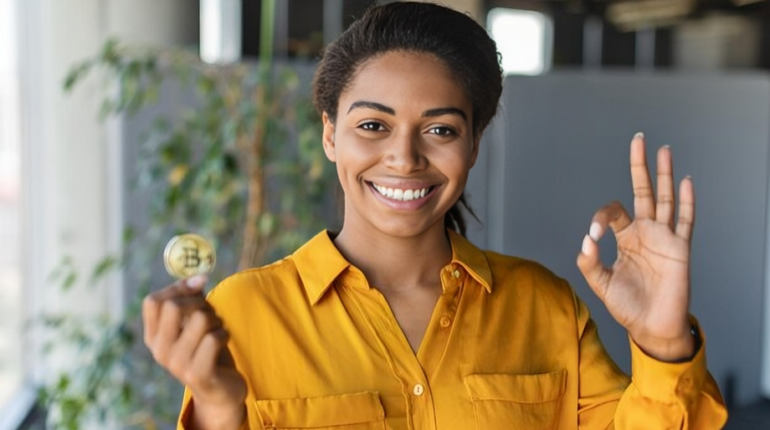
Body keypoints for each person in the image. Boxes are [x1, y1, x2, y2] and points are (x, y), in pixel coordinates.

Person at [141, 2, 728, 429]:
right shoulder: (243, 315)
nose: (404, 157)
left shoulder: (545, 308)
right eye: (373, 125)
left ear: (473, 144)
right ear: (329, 135)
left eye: (441, 129)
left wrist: (663, 343)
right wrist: (219, 408)